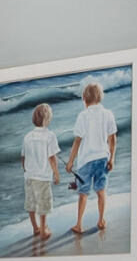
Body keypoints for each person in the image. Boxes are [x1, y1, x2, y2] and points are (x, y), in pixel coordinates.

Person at [68, 78, 118, 239]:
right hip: (103, 158)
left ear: (85, 99)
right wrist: (112, 159)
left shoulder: (83, 116)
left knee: (83, 193)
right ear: (100, 97)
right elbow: (113, 139)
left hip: (85, 161)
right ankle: (101, 220)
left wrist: (70, 162)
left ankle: (79, 224)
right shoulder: (108, 114)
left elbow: (77, 140)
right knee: (101, 191)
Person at [19, 101, 61, 249]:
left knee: (31, 203)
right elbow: (52, 158)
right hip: (42, 177)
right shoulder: (50, 136)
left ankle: (35, 228)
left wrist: (25, 169)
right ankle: (43, 230)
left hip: (29, 176)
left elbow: (23, 157)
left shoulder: (27, 136)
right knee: (43, 204)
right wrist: (56, 174)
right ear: (47, 119)